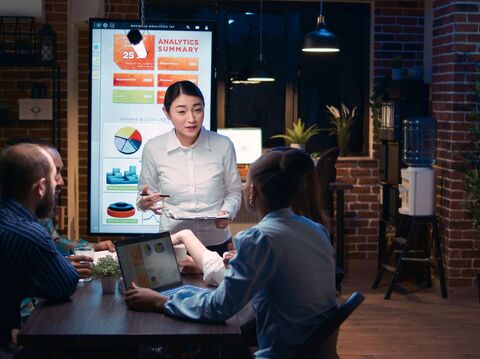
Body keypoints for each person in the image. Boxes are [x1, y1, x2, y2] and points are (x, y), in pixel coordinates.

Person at [126, 148, 337, 358]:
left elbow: (219, 308)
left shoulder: (260, 238)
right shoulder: (316, 230)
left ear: (253, 192)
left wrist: (159, 302)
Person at [0, 144, 79, 356]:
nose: (59, 183)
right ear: (41, 187)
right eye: (55, 178)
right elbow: (65, 284)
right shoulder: (28, 234)